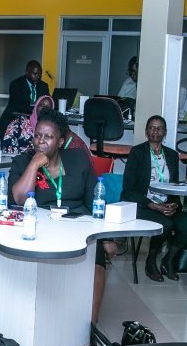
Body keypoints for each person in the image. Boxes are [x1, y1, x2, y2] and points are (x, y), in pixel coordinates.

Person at [8, 109, 112, 323]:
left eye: (48, 137)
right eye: (37, 135)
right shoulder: (22, 161)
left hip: (79, 227)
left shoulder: (78, 159)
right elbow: (18, 199)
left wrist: (107, 237)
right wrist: (35, 164)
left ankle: (90, 327)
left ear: (61, 141)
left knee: (97, 265)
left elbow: (95, 201)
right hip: (41, 229)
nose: (41, 141)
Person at [121, 116, 187, 282]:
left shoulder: (171, 155)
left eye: (159, 128)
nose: (155, 131)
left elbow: (174, 187)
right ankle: (151, 261)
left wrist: (174, 204)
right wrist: (153, 206)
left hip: (167, 205)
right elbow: (128, 190)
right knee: (166, 224)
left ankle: (168, 260)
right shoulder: (137, 153)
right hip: (144, 205)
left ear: (165, 133)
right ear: (146, 132)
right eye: (152, 128)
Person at [0, 60, 50, 135]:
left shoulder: (43, 86)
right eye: (35, 73)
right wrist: (37, 109)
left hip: (35, 121)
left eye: (40, 74)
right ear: (27, 72)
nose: (38, 76)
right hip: (14, 119)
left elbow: (48, 103)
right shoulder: (16, 84)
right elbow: (20, 106)